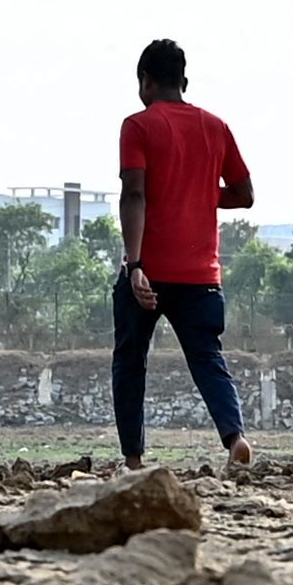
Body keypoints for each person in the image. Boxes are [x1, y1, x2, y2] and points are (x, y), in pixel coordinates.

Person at [111, 37, 256, 475]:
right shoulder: (216, 127)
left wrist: (135, 266)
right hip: (200, 273)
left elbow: (134, 193)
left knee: (130, 360)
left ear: (146, 82)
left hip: (151, 271)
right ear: (184, 81)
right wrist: (199, 193)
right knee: (208, 357)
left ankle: (134, 458)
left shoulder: (138, 126)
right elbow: (245, 195)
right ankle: (235, 438)